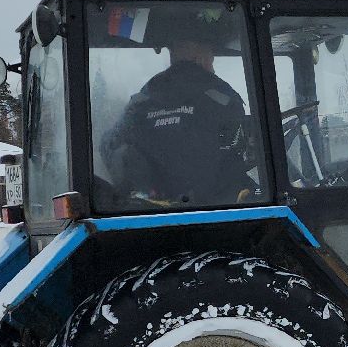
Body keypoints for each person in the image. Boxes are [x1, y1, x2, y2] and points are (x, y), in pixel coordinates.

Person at [107, 13, 256, 206]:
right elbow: (239, 148)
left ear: (173, 53)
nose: (211, 64)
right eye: (211, 56)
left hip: (150, 208)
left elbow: (112, 146)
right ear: (200, 55)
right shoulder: (222, 97)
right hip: (216, 210)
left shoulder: (142, 100)